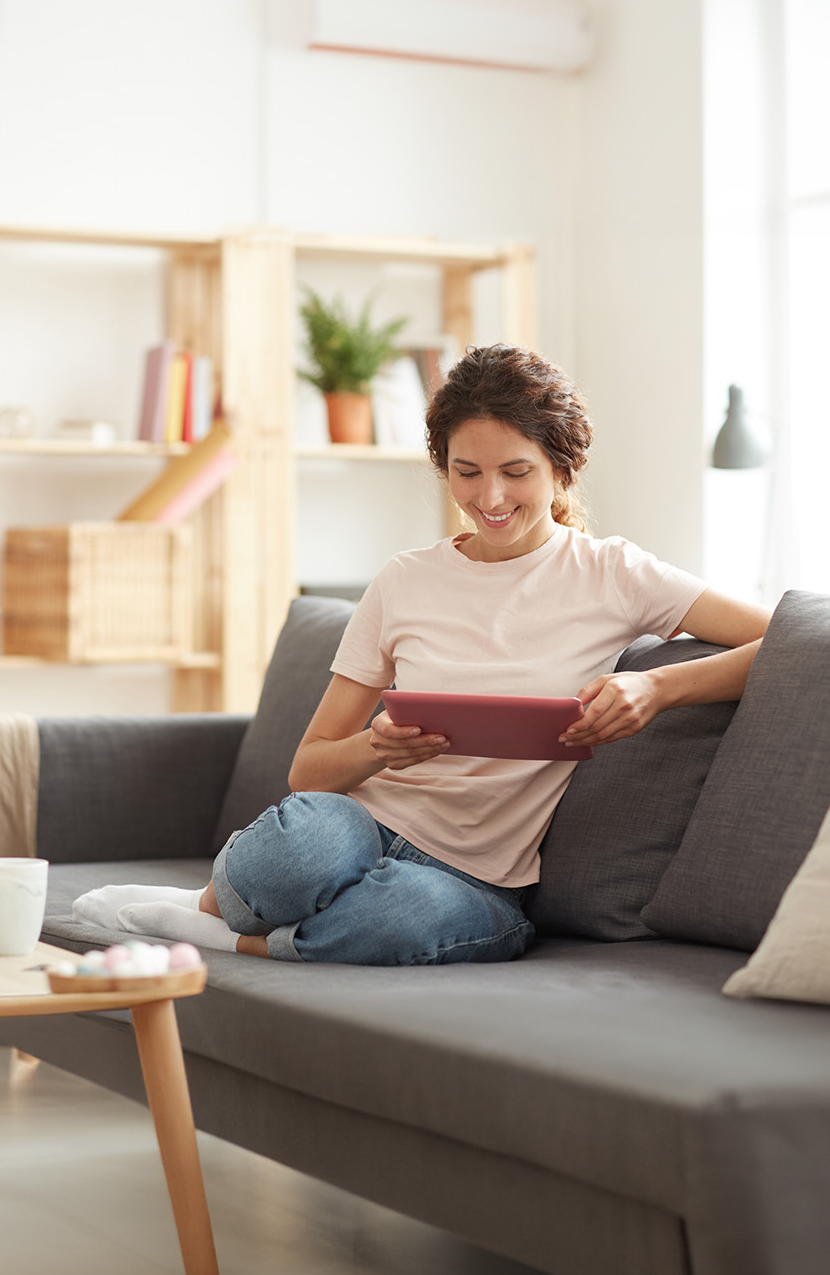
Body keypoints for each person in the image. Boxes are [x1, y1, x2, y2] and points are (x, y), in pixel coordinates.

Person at [74, 345, 772, 965]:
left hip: (474, 880)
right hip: (363, 825)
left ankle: (229, 933)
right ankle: (218, 904)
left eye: (516, 472)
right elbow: (310, 768)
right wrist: (379, 749)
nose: (489, 498)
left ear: (563, 470)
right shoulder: (405, 580)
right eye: (466, 472)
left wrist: (659, 690)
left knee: (406, 916)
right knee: (307, 842)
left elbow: (789, 640)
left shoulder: (615, 574)